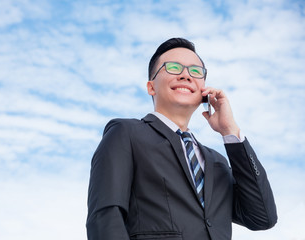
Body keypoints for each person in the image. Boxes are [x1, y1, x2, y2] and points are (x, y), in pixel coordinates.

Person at [86, 38, 277, 240]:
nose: (186, 75)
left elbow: (262, 217)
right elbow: (105, 216)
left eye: (195, 71)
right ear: (151, 87)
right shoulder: (126, 133)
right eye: (173, 67)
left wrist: (230, 131)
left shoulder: (217, 162)